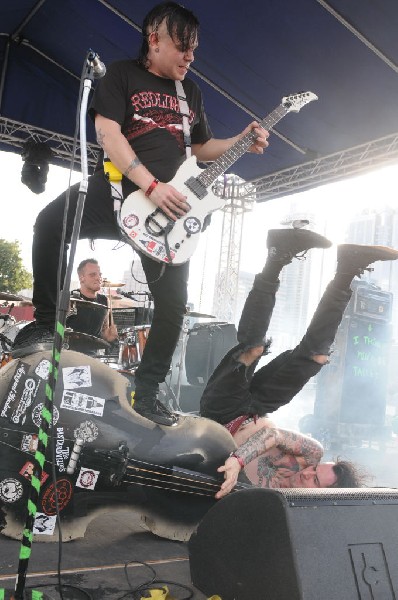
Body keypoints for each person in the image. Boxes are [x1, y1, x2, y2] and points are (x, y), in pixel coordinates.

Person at [12, 2, 268, 427]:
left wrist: (240, 140)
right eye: (183, 47)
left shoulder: (192, 93)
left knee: (173, 306)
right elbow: (107, 132)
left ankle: (146, 393)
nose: (190, 57)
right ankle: (43, 324)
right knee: (50, 224)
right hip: (117, 189)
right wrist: (149, 183)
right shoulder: (120, 74)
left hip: (167, 212)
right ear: (154, 40)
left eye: (195, 49)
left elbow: (201, 148)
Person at [199, 228, 398, 497]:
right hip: (258, 407)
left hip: (220, 412)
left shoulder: (276, 500)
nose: (307, 472)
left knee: (251, 349)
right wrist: (239, 459)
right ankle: (342, 270)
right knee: (315, 356)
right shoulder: (311, 453)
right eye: (315, 470)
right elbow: (275, 437)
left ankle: (278, 257)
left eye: (314, 480)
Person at [66, 259, 118, 352]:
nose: (98, 278)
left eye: (99, 274)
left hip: (93, 355)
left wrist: (109, 336)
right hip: (70, 354)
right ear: (81, 277)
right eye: (93, 275)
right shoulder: (70, 299)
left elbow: (104, 332)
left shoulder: (104, 300)